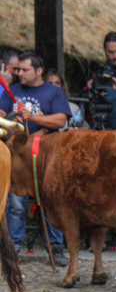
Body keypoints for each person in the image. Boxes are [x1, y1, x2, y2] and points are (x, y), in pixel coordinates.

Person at [0, 51, 71, 265]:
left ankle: (56, 247)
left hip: (46, 157)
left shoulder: (53, 92)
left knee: (52, 200)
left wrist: (34, 118)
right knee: (16, 203)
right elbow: (1, 115)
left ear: (39, 71)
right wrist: (11, 117)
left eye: (24, 70)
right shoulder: (11, 90)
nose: (19, 73)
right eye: (18, 69)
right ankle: (14, 246)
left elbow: (60, 120)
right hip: (18, 157)